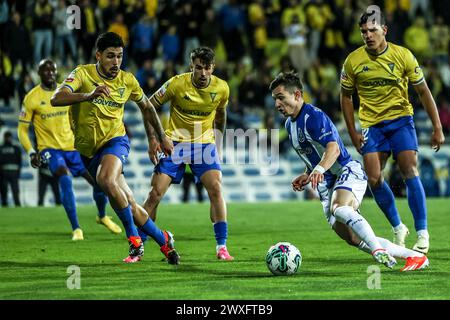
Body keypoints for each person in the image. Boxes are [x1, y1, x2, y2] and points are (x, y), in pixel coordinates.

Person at [270, 71, 429, 272]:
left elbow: (333, 148)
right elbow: (314, 153)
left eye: (281, 98)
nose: (277, 104)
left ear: (298, 95)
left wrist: (319, 168)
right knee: (353, 238)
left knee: (341, 208)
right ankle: (414, 257)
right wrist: (308, 172)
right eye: (275, 99)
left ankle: (378, 250)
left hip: (347, 170)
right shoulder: (289, 125)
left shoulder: (313, 117)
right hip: (327, 184)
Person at [50, 32, 180, 264]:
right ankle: (164, 241)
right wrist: (88, 95)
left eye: (120, 56)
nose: (116, 62)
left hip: (115, 141)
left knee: (106, 180)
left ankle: (134, 243)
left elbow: (148, 108)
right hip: (88, 150)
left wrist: (159, 137)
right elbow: (56, 98)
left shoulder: (127, 80)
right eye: (110, 56)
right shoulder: (82, 73)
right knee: (129, 205)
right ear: (98, 55)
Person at [340, 7, 445, 254]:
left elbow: (423, 92)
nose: (368, 35)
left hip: (400, 120)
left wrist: (437, 127)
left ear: (384, 30)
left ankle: (422, 233)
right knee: (374, 178)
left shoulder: (403, 55)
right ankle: (398, 227)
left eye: (373, 30)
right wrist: (353, 132)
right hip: (372, 125)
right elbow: (345, 97)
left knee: (409, 168)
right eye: (363, 31)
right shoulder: (353, 61)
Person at [143, 47, 233, 260]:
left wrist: (218, 142)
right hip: (174, 143)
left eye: (207, 68)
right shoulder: (176, 83)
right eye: (198, 68)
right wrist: (153, 138)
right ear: (191, 66)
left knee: (216, 189)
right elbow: (149, 106)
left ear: (213, 68)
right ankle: (139, 245)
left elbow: (220, 115)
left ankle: (222, 247)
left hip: (204, 144)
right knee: (155, 194)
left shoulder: (222, 88)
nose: (203, 73)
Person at [17, 59, 123, 240]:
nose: (50, 73)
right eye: (46, 70)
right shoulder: (32, 97)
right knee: (64, 177)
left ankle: (102, 215)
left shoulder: (66, 93)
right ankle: (77, 228)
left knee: (99, 182)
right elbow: (22, 130)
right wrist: (32, 152)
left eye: (53, 70)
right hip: (49, 149)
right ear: (39, 73)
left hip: (73, 147)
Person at [0, 131, 22, 207]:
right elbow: (19, 162)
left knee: (14, 190)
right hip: (6, 171)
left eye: (9, 137)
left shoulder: (15, 148)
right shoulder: (15, 148)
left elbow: (19, 161)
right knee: (4, 190)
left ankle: (17, 205)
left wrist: (18, 172)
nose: (8, 139)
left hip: (11, 171)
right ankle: (5, 205)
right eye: (7, 137)